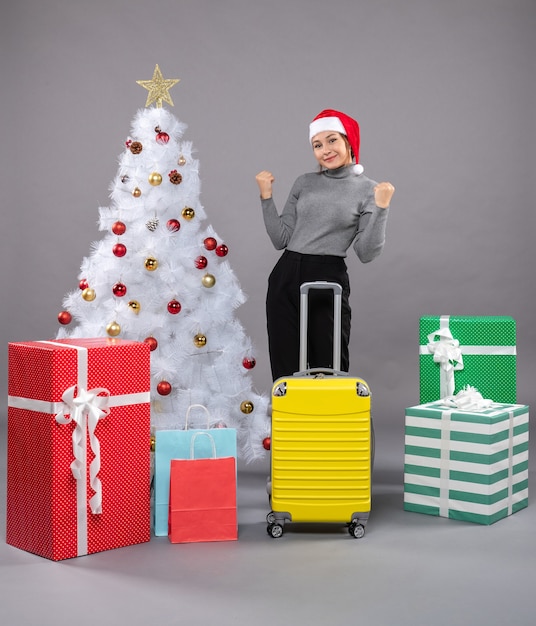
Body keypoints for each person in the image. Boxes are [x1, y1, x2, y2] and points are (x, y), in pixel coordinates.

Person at [256, 109, 394, 381]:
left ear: (349, 141)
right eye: (317, 145)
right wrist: (266, 197)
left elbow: (366, 252)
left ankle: (327, 422)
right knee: (285, 364)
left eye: (332, 140)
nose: (325, 150)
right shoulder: (304, 182)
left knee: (327, 364)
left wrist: (381, 207)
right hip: (286, 274)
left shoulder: (369, 189)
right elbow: (280, 239)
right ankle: (292, 421)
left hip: (328, 276)